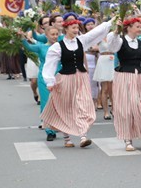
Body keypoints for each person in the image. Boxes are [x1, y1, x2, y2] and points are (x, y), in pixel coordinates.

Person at [41, 17, 114, 148]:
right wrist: (49, 81)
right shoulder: (57, 47)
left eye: (77, 28)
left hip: (81, 78)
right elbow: (50, 65)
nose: (76, 30)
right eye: (73, 28)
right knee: (66, 107)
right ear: (66, 29)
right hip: (65, 79)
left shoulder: (81, 41)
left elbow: (96, 33)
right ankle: (67, 138)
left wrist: (111, 22)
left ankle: (83, 136)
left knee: (83, 105)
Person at [107, 17, 141, 152]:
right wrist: (116, 31)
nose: (140, 28)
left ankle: (136, 129)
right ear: (129, 27)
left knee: (138, 105)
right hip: (124, 77)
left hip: (139, 77)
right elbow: (112, 46)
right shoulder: (120, 41)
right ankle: (127, 139)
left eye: (140, 26)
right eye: (137, 26)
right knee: (126, 108)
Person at [23, 25, 60, 141]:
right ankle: (49, 130)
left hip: (59, 77)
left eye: (56, 34)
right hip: (44, 78)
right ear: (46, 36)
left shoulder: (61, 47)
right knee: (46, 102)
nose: (55, 36)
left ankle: (58, 126)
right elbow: (28, 47)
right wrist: (22, 38)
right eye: (52, 34)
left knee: (58, 104)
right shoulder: (41, 47)